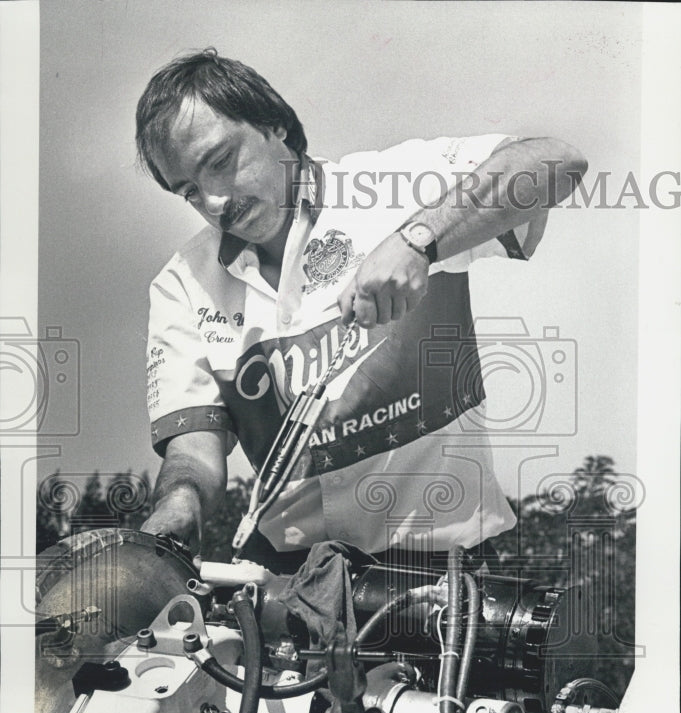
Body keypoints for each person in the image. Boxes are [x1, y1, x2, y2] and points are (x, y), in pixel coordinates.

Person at [137, 49, 586, 572]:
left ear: (275, 124)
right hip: (286, 583)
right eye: (189, 190)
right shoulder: (180, 283)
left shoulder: (390, 187)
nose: (214, 202)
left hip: (444, 573)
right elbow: (194, 451)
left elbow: (556, 161)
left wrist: (418, 240)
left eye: (220, 162)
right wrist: (177, 507)